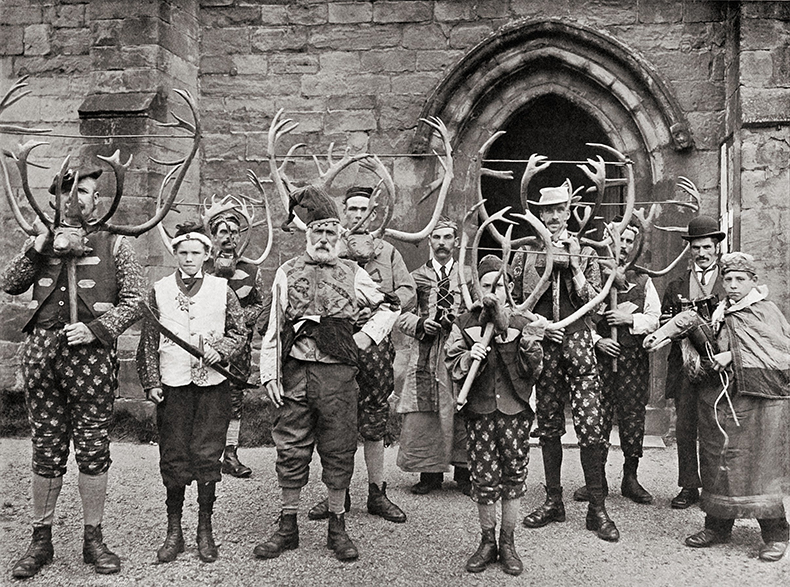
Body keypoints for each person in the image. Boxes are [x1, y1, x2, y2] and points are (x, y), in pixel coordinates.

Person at [3, 168, 145, 578]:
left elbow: (136, 300)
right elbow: (10, 283)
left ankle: (93, 539)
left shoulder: (115, 244)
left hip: (90, 360)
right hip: (42, 356)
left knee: (92, 449)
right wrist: (36, 247)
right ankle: (40, 539)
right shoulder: (41, 240)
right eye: (72, 191)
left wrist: (97, 329)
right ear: (56, 199)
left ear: (97, 202)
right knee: (45, 448)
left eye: (88, 192)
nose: (80, 198)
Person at [254, 186, 400, 562]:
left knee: (338, 449)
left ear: (339, 238)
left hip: (338, 379)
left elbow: (391, 306)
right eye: (317, 232)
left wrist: (366, 337)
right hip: (296, 374)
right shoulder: (287, 272)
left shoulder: (352, 272)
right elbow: (273, 326)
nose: (323, 239)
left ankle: (337, 527)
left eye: (330, 234)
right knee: (290, 447)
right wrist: (269, 374)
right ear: (307, 235)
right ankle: (287, 527)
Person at [513, 180, 618, 542]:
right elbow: (513, 306)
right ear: (539, 214)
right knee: (549, 425)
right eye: (547, 211)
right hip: (546, 350)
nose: (553, 216)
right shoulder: (524, 254)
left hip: (579, 347)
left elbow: (597, 303)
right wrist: (541, 328)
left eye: (559, 210)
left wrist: (573, 266)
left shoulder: (587, 252)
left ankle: (597, 508)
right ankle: (553, 501)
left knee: (590, 425)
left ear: (568, 212)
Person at [137, 221, 247, 564]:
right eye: (182, 252)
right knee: (173, 455)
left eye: (195, 253)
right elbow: (149, 340)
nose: (188, 258)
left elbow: (239, 331)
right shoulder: (159, 290)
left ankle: (204, 529)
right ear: (175, 254)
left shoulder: (220, 289)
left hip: (211, 386)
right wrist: (152, 382)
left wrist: (222, 349)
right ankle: (174, 531)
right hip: (173, 385)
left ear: (206, 255)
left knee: (206, 455)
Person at [306, 186, 415, 524]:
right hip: (337, 342)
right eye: (352, 209)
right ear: (344, 212)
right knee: (336, 417)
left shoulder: (387, 250)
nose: (358, 215)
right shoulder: (328, 246)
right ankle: (337, 493)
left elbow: (407, 293)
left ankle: (377, 493)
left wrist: (376, 308)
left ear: (374, 212)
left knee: (374, 419)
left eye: (364, 209)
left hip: (375, 345)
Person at [683, 252, 790, 562]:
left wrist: (732, 356)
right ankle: (717, 524)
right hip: (722, 397)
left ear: (753, 281)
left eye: (740, 279)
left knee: (758, 464)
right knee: (719, 457)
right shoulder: (721, 311)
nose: (732, 285)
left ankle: (775, 532)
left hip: (757, 401)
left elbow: (780, 350)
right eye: (728, 279)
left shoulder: (764, 311)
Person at [445, 255, 546, 576]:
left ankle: (508, 542)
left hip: (514, 413)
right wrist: (467, 357)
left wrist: (531, 347)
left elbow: (534, 369)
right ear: (477, 289)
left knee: (514, 476)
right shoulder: (464, 323)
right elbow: (452, 360)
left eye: (498, 285)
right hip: (480, 412)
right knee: (484, 478)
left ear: (509, 288)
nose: (493, 291)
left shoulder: (520, 322)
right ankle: (487, 542)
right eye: (486, 285)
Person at [574, 220, 660, 504]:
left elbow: (654, 319)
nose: (622, 246)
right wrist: (599, 341)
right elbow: (578, 317)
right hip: (599, 362)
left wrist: (629, 319)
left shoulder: (643, 281)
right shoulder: (591, 276)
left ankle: (630, 478)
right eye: (617, 240)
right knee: (597, 418)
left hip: (632, 361)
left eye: (628, 241)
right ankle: (597, 480)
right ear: (605, 242)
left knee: (632, 417)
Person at [396, 218, 471, 495]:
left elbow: (477, 310)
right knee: (424, 411)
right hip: (426, 353)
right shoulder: (416, 277)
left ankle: (465, 474)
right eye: (436, 238)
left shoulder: (466, 276)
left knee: (462, 407)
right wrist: (419, 324)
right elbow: (399, 313)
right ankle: (429, 474)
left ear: (456, 242)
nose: (442, 243)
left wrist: (463, 326)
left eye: (447, 237)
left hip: (458, 351)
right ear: (430, 242)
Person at [660, 215, 726, 509]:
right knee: (685, 427)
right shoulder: (676, 285)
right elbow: (664, 324)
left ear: (717, 249)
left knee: (716, 427)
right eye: (696, 248)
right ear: (690, 250)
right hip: (685, 365)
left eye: (707, 247)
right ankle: (689, 486)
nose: (701, 253)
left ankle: (717, 487)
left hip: (719, 365)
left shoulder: (729, 281)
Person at [203, 203, 264, 478]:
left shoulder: (251, 271)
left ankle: (230, 454)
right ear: (213, 236)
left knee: (234, 400)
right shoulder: (201, 267)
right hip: (205, 348)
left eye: (235, 232)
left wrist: (236, 316)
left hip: (238, 348)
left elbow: (261, 307)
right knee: (204, 398)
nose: (229, 238)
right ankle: (205, 454)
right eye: (223, 232)